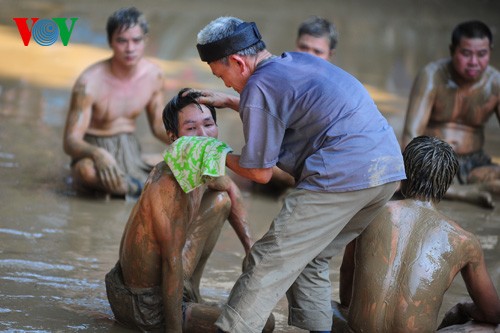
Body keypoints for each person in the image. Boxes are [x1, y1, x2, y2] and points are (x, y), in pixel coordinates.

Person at [193, 16, 406, 333]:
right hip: (386, 171)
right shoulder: (295, 62)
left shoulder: (258, 87)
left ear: (237, 61)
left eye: (220, 74)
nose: (223, 83)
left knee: (267, 259)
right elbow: (291, 105)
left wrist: (214, 152)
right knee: (311, 259)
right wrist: (234, 101)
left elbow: (260, 173)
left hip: (343, 173)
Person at [105, 88, 275, 332]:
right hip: (144, 303)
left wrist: (251, 251)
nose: (204, 136)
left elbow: (231, 191)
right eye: (191, 129)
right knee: (262, 324)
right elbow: (171, 262)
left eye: (208, 125)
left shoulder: (200, 162)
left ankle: (191, 295)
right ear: (174, 138)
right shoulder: (165, 184)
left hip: (169, 281)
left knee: (221, 200)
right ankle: (183, 313)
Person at [334, 136, 500, 332]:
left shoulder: (369, 212)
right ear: (446, 186)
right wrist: (463, 308)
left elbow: (346, 281)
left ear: (403, 174)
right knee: (490, 328)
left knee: (325, 308)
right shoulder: (464, 241)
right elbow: (493, 313)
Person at [63, 7, 170, 198]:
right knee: (85, 172)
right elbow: (70, 141)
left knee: (183, 160)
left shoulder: (154, 75)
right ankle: (137, 188)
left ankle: (130, 187)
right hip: (95, 150)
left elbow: (158, 126)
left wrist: (187, 143)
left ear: (145, 41)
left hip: (132, 153)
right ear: (110, 42)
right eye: (122, 41)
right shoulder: (89, 82)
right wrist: (98, 154)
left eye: (136, 40)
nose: (130, 48)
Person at [401, 20, 500, 209]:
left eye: (481, 54)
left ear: (490, 52)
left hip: (474, 166)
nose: (474, 62)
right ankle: (463, 193)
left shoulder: (495, 84)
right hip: (433, 162)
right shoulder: (432, 76)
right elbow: (410, 137)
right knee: (395, 177)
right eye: (466, 53)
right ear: (452, 50)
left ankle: (459, 189)